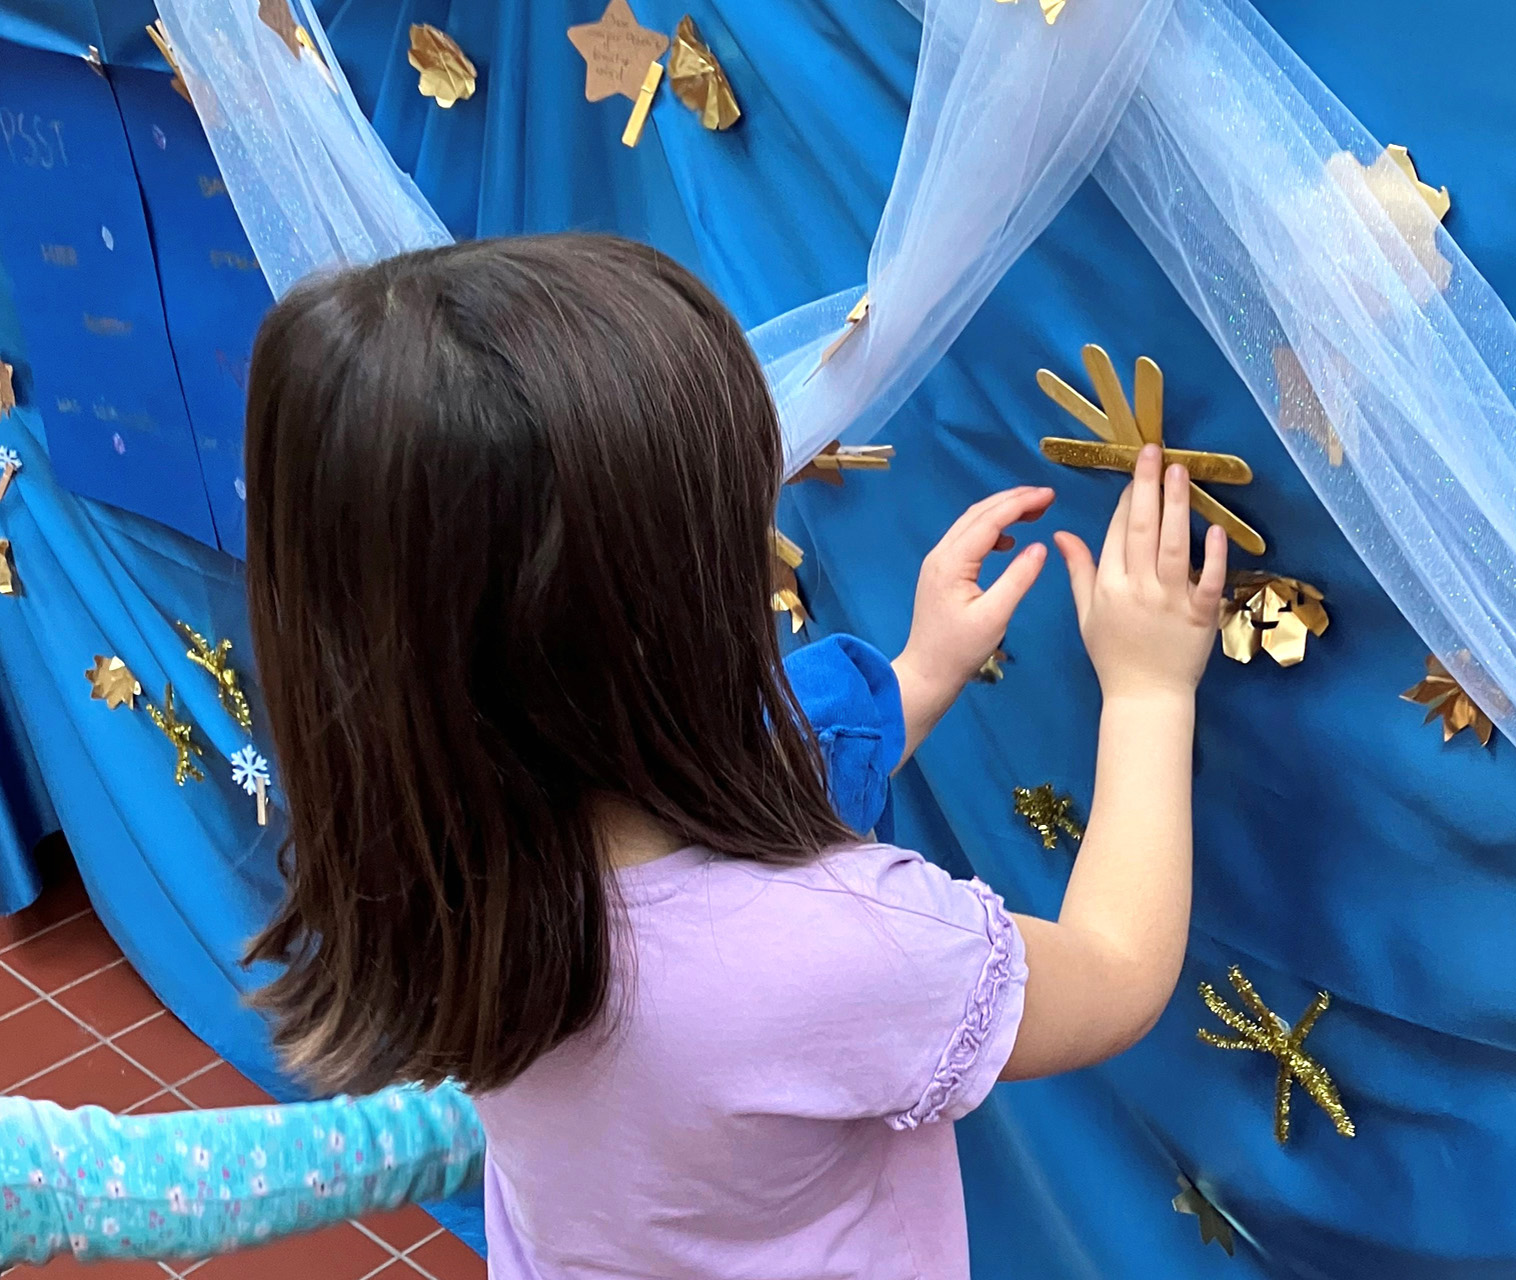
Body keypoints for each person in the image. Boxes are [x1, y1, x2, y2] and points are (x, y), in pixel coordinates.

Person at [2, 233, 1226, 1277]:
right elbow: (1116, 974)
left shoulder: (430, 848)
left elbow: (722, 809)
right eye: (740, 527)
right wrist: (1149, 685)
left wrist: (915, 676)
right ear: (660, 622)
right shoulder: (858, 947)